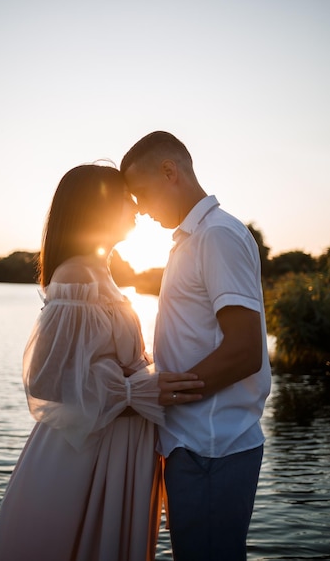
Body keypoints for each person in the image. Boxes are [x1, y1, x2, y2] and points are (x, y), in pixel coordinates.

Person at [0, 163, 204, 561]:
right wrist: (137, 388)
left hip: (117, 447)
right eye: (125, 197)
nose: (136, 207)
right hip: (87, 456)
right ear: (96, 206)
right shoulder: (76, 277)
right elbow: (47, 379)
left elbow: (105, 362)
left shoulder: (100, 272)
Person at [120, 132, 272, 561]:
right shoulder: (190, 240)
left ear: (170, 171)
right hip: (193, 445)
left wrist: (160, 393)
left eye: (142, 193)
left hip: (213, 445)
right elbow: (195, 336)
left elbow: (245, 351)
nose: (142, 209)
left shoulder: (218, 236)